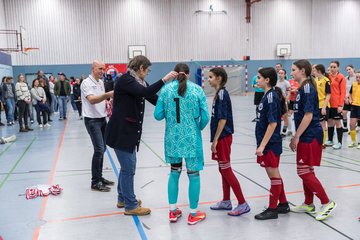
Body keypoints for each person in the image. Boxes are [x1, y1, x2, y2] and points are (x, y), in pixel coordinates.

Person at [105, 55, 177, 216]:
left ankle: (123, 198)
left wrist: (171, 107)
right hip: (122, 132)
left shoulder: (138, 81)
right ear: (141, 68)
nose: (148, 73)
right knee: (129, 168)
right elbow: (145, 92)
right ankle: (130, 205)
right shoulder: (126, 80)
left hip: (128, 132)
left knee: (127, 168)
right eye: (148, 70)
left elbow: (152, 97)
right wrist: (164, 80)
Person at [154, 63, 209, 224]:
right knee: (194, 175)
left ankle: (172, 211)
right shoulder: (197, 90)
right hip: (192, 138)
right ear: (188, 74)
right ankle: (193, 214)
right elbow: (205, 116)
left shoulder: (165, 90)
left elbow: (157, 115)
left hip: (173, 139)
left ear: (174, 73)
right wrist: (197, 127)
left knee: (174, 172)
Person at [289, 59, 336, 221]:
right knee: (306, 170)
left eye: (294, 69)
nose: (291, 72)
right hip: (307, 134)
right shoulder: (303, 88)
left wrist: (296, 136)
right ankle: (308, 202)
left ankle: (326, 202)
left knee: (302, 171)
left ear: (302, 71)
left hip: (309, 135)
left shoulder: (308, 88)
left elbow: (308, 115)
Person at [207, 67, 250, 217]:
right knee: (222, 168)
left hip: (223, 137)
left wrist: (216, 140)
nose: (208, 79)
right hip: (220, 137)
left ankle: (242, 203)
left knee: (226, 169)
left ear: (219, 78)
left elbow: (223, 119)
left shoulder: (222, 94)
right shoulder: (219, 93)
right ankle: (226, 200)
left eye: (211, 77)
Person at [254, 67, 289, 220]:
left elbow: (273, 123)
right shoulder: (267, 95)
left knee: (273, 175)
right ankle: (283, 203)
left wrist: (262, 145)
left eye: (259, 77)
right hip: (268, 143)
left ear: (267, 80)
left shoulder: (271, 97)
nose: (257, 80)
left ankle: (272, 209)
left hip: (270, 144)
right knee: (276, 174)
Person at [81, 60, 115, 192]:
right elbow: (92, 100)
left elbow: (100, 99)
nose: (102, 71)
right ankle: (95, 182)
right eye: (100, 69)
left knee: (103, 149)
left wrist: (107, 101)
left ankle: (99, 177)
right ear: (93, 68)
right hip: (92, 120)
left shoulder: (100, 82)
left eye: (103, 69)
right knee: (99, 149)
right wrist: (107, 94)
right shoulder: (86, 83)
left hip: (102, 119)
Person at [325, 61, 346, 149]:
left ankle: (340, 142)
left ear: (338, 68)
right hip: (328, 104)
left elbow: (343, 92)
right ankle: (330, 140)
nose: (332, 69)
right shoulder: (327, 76)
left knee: (337, 122)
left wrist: (340, 105)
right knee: (329, 122)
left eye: (334, 67)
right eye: (331, 67)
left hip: (336, 104)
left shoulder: (341, 77)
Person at [314, 64, 331, 148]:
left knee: (322, 124)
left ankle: (323, 143)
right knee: (317, 124)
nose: (313, 72)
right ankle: (318, 141)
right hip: (316, 105)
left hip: (323, 105)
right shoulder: (315, 80)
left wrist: (324, 107)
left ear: (319, 71)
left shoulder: (326, 80)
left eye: (314, 71)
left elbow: (328, 95)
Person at [276, 69, 291, 137]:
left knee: (285, 118)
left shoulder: (286, 83)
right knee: (278, 117)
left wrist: (286, 100)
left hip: (284, 102)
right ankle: (278, 131)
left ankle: (284, 132)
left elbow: (289, 92)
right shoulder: (276, 82)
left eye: (282, 73)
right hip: (278, 102)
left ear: (284, 74)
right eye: (279, 73)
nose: (280, 74)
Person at [348, 70, 360, 148]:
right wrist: (350, 99)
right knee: (352, 124)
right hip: (354, 106)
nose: (358, 79)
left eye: (359, 77)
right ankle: (353, 142)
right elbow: (350, 93)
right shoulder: (354, 84)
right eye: (357, 77)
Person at [343, 65, 356, 132]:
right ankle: (345, 127)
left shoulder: (357, 77)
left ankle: (357, 127)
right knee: (344, 112)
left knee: (356, 114)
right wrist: (346, 98)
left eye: (349, 69)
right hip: (348, 98)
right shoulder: (346, 78)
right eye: (347, 70)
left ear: (353, 69)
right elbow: (345, 89)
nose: (348, 71)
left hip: (356, 99)